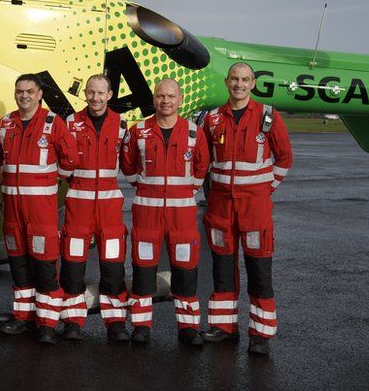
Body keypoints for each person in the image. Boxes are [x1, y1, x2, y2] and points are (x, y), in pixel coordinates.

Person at [201, 62, 293, 356]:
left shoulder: (268, 116)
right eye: (234, 79)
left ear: (253, 83)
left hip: (255, 208)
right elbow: (203, 161)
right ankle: (224, 327)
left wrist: (266, 189)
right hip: (220, 207)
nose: (239, 84)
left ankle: (260, 334)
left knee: (258, 269)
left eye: (245, 80)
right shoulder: (212, 119)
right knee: (222, 268)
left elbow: (284, 158)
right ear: (227, 82)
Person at [120, 78, 209, 347]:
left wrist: (182, 192)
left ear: (180, 100)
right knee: (143, 271)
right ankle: (141, 327)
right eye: (160, 96)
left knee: (185, 272)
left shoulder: (195, 132)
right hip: (147, 215)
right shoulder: (138, 131)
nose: (165, 101)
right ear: (155, 99)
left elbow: (201, 168)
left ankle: (188, 329)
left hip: (182, 218)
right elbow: (128, 167)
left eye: (171, 96)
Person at [0, 74, 76, 345]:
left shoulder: (53, 123)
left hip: (41, 213)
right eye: (19, 91)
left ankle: (47, 323)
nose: (24, 95)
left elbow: (69, 160)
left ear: (40, 94)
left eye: (29, 91)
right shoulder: (6, 124)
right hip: (13, 213)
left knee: (44, 268)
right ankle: (22, 318)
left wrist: (51, 182)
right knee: (18, 267)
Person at [60, 74, 131, 343]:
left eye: (101, 93)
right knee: (73, 265)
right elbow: (65, 165)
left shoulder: (122, 125)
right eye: (91, 92)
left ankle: (115, 324)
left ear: (110, 95)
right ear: (85, 93)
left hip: (110, 207)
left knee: (113, 266)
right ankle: (73, 322)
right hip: (79, 204)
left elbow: (129, 164)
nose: (95, 98)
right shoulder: (71, 123)